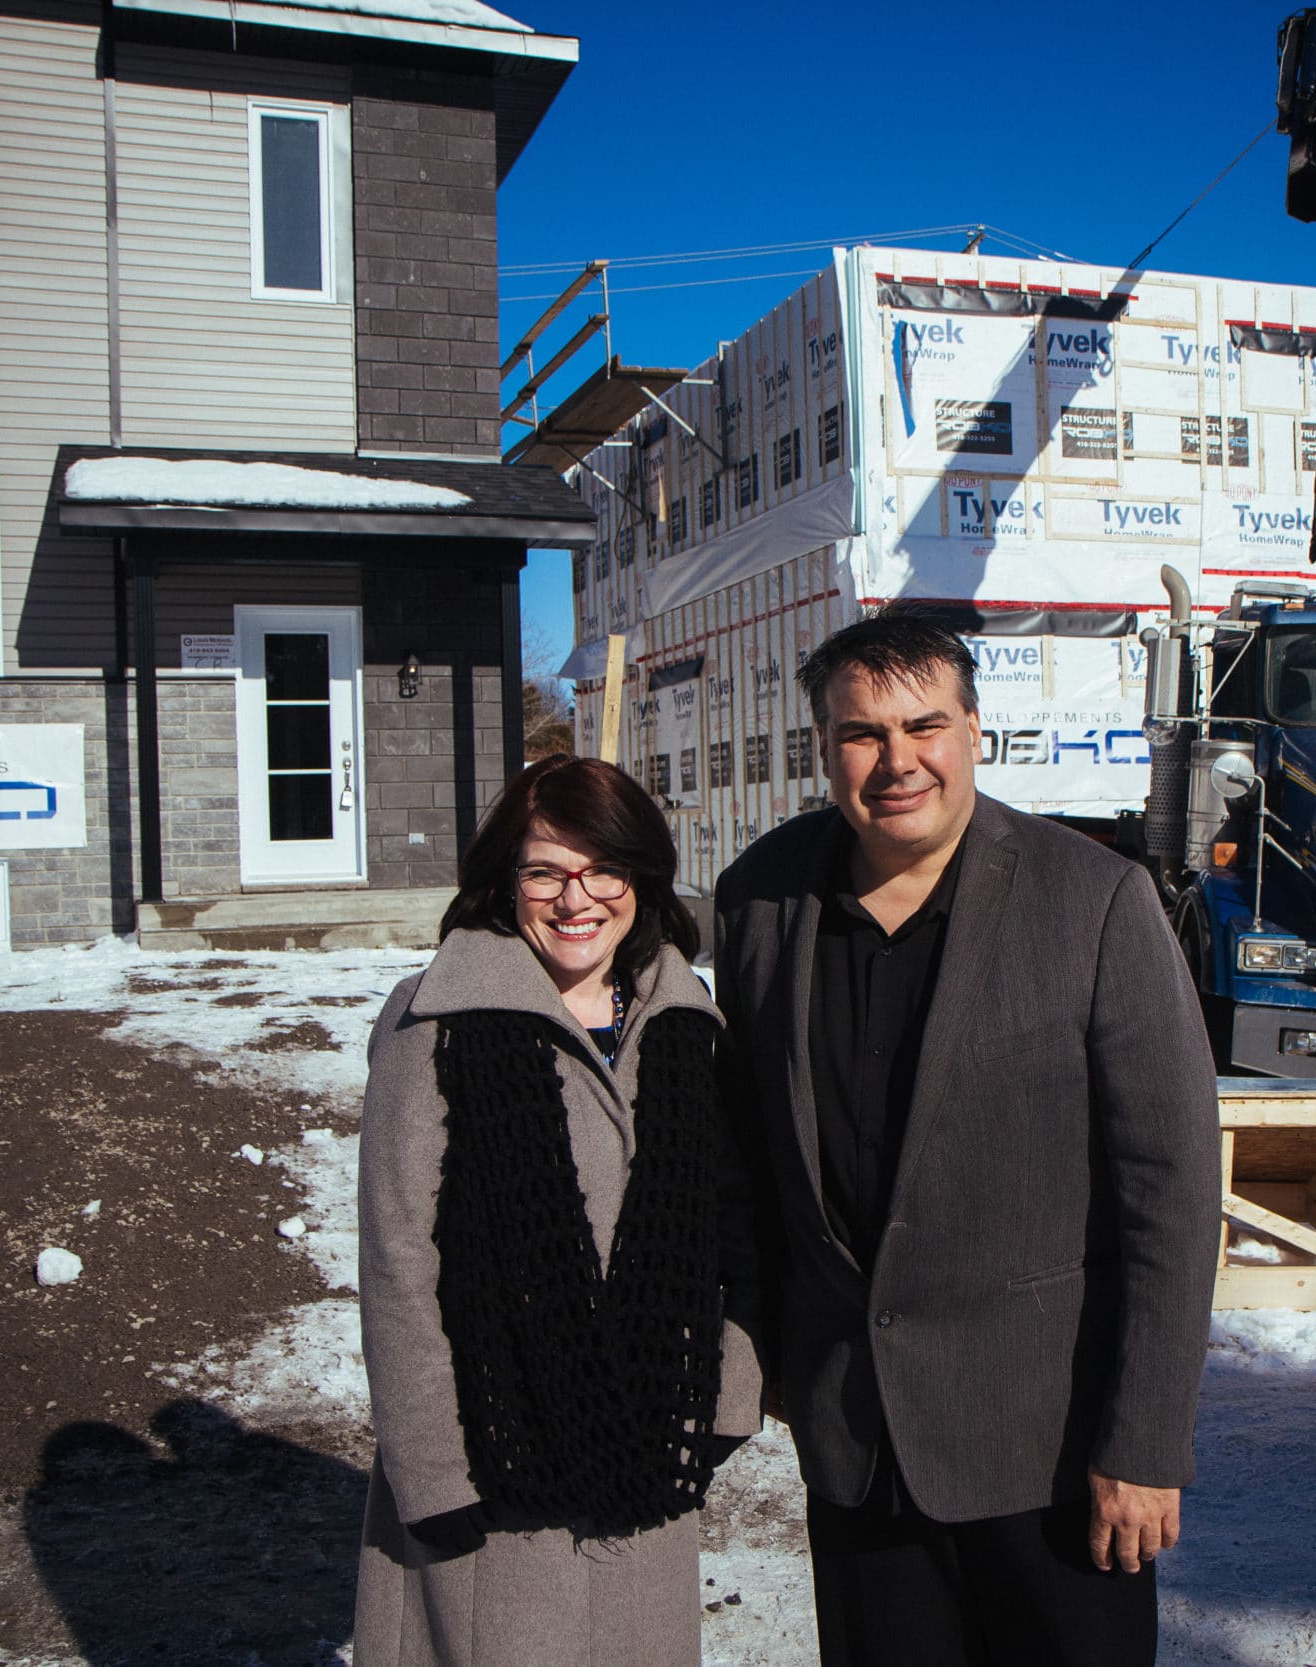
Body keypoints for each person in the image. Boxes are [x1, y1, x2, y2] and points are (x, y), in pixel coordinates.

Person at [712, 609, 1218, 1667]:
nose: (896, 760)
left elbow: (1167, 1194)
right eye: (862, 734)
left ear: (974, 732)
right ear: (824, 748)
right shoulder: (761, 900)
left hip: (1052, 1455)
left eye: (923, 725)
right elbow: (751, 1157)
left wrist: (1144, 1440)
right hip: (858, 1444)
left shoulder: (1094, 900)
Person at [354, 754, 760, 1667]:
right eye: (545, 870)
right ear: (506, 881)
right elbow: (397, 1259)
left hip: (646, 1459)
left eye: (603, 867)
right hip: (493, 1467)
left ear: (640, 876)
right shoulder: (436, 1025)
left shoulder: (687, 1025)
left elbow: (736, 1238)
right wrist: (434, 1472)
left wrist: (727, 1395)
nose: (577, 898)